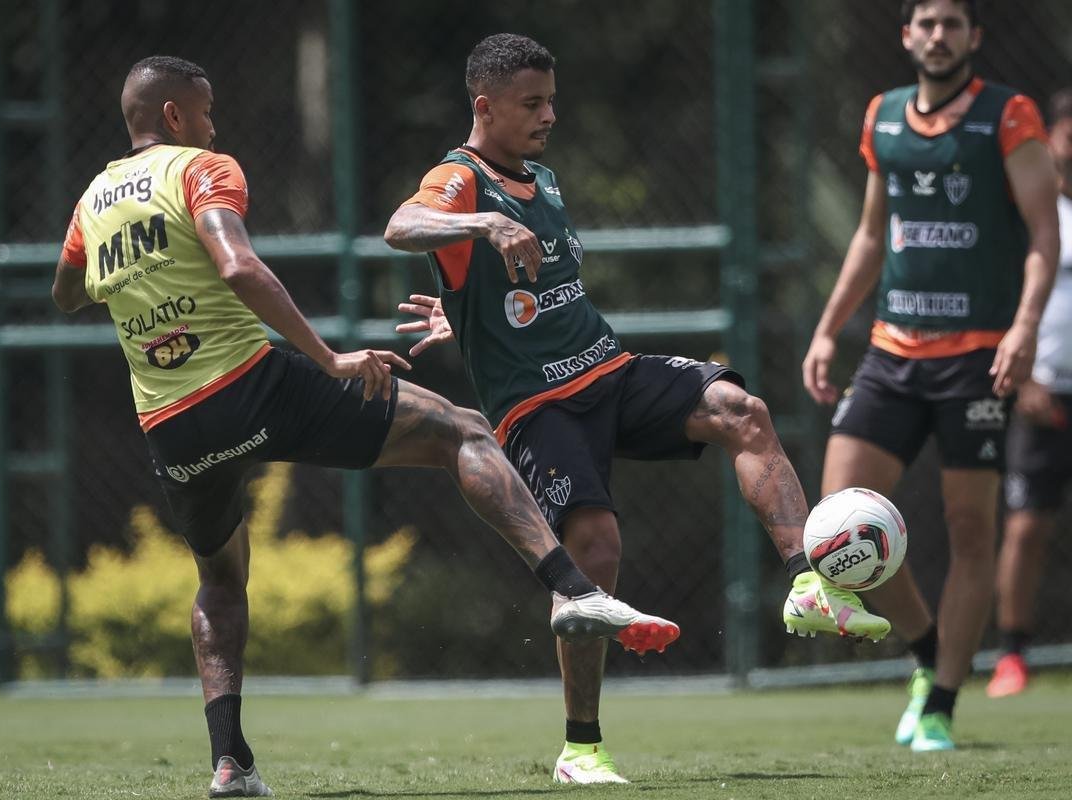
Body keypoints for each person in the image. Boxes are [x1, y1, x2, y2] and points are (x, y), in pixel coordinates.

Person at [52, 55, 680, 798]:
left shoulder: (93, 200)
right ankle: (574, 590)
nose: (215, 123)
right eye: (207, 109)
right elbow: (237, 266)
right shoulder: (201, 167)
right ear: (175, 117)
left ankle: (231, 764)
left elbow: (66, 293)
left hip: (171, 423)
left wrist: (147, 289)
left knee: (220, 580)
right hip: (251, 386)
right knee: (463, 431)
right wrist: (330, 358)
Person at [384, 33, 889, 785]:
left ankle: (808, 584)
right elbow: (402, 225)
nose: (549, 114)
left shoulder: (544, 182)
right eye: (532, 103)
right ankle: (581, 748)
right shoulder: (460, 180)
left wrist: (468, 314)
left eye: (552, 99)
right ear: (483, 107)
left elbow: (531, 299)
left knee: (740, 410)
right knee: (598, 552)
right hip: (538, 407)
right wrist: (480, 225)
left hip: (610, 370)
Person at [801, 0, 1058, 751]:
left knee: (971, 529)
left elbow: (1044, 235)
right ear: (907, 35)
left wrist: (1024, 329)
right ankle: (924, 654)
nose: (938, 36)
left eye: (953, 23)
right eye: (927, 23)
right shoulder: (882, 117)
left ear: (973, 37)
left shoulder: (1007, 117)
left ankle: (942, 704)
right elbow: (871, 235)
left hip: (977, 357)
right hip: (891, 353)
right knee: (839, 521)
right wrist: (825, 330)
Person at [987, 88, 1072, 699]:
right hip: (1044, 395)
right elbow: (1002, 304)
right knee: (1025, 528)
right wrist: (1025, 381)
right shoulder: (1031, 219)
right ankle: (1012, 655)